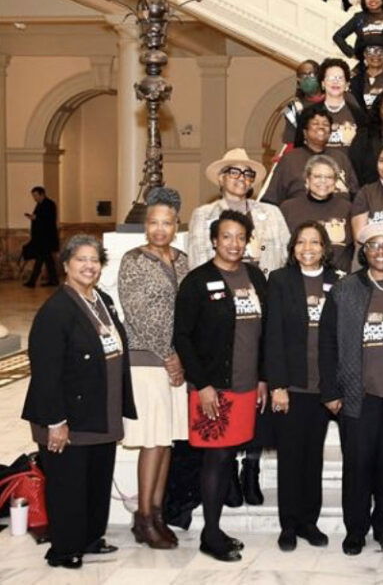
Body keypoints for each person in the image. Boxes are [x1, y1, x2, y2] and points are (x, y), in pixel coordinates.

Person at [21, 234, 137, 569]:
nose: (89, 266)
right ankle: (64, 548)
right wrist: (56, 421)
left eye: (95, 260)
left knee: (96, 481)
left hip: (100, 412)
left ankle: (89, 538)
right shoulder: (56, 310)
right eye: (81, 259)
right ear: (67, 265)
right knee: (68, 485)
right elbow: (46, 371)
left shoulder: (100, 299)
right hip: (67, 416)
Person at [174, 210, 268, 562]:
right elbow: (182, 336)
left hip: (245, 386)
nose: (233, 243)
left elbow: (265, 332)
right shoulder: (197, 281)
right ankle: (209, 534)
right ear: (214, 240)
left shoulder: (256, 277)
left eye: (240, 237)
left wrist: (262, 377)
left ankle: (214, 527)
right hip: (213, 389)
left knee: (228, 455)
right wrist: (202, 385)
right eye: (226, 236)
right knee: (216, 458)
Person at [319, 221, 383, 553]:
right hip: (358, 394)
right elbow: (327, 344)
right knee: (357, 466)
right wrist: (330, 391)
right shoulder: (345, 290)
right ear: (364, 252)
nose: (381, 251)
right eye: (374, 246)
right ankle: (356, 529)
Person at [118, 188, 190, 549]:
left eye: (167, 222)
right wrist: (167, 355)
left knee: (166, 442)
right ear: (145, 225)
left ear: (176, 224)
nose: (160, 229)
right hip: (147, 362)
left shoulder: (182, 259)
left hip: (178, 364)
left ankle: (158, 512)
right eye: (153, 222)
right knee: (151, 440)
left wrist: (183, 357)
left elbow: (190, 312)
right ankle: (143, 516)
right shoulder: (134, 260)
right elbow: (137, 313)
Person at [264, 221, 338, 551]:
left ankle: (310, 522)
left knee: (314, 458)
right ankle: (288, 525)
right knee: (291, 459)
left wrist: (336, 388)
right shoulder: (280, 281)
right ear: (293, 248)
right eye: (301, 242)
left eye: (315, 242)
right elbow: (273, 335)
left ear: (325, 248)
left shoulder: (339, 283)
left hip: (323, 387)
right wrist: (277, 384)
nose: (308, 248)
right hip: (291, 386)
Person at [188, 148, 290, 279]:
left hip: (268, 291)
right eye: (234, 172)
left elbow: (288, 256)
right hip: (221, 292)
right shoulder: (203, 215)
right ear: (221, 178)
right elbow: (197, 263)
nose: (242, 178)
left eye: (247, 174)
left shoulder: (272, 213)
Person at [262, 106, 361, 205]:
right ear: (305, 132)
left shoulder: (341, 158)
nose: (321, 127)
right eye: (315, 123)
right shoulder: (290, 159)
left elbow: (356, 195)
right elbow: (271, 199)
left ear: (330, 133)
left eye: (326, 124)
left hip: (338, 217)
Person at [279, 154, 354, 273]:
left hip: (339, 280)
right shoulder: (287, 208)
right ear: (307, 180)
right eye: (317, 176)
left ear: (335, 182)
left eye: (329, 177)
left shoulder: (348, 209)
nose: (323, 181)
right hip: (296, 277)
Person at [23, 185, 59, 287]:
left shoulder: (49, 204)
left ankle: (32, 281)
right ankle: (53, 280)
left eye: (35, 195)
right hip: (41, 239)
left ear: (42, 194)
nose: (34, 198)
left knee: (41, 260)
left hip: (46, 239)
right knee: (48, 261)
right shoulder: (40, 205)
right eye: (33, 196)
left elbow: (48, 220)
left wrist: (36, 218)